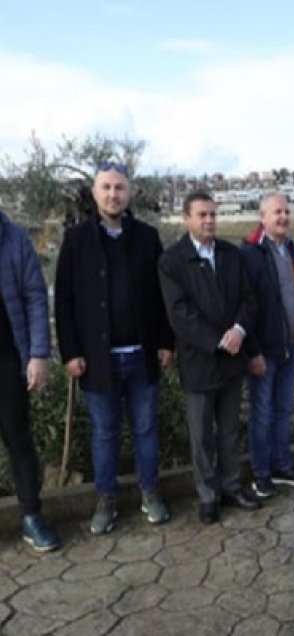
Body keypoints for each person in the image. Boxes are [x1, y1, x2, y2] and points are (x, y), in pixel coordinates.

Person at [55, 161, 173, 535]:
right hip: (97, 361)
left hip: (141, 356)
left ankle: (150, 492)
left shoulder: (147, 237)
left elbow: (161, 298)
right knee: (104, 433)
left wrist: (166, 342)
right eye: (106, 188)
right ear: (94, 193)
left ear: (129, 193)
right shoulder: (76, 240)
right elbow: (65, 302)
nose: (112, 195)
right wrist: (70, 352)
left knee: (145, 429)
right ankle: (105, 500)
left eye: (119, 188)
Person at [159, 191, 260, 524]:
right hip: (199, 361)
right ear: (186, 218)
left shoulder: (231, 255)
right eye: (201, 215)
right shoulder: (172, 261)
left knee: (230, 430)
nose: (209, 221)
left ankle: (231, 486)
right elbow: (179, 314)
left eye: (213, 215)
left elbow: (249, 299)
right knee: (201, 435)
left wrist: (240, 331)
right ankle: (207, 495)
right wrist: (218, 340)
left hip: (232, 359)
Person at [240, 194, 294, 499]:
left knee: (283, 410)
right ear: (262, 216)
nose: (283, 217)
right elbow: (246, 305)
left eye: (286, 211)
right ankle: (261, 473)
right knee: (262, 412)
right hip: (264, 350)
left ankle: (282, 466)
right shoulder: (252, 253)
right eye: (276, 212)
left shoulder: (290, 249)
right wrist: (252, 351)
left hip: (288, 347)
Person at [0, 210, 60, 552]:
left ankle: (31, 517)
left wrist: (39, 354)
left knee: (19, 442)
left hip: (9, 360)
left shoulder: (14, 238)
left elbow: (36, 296)